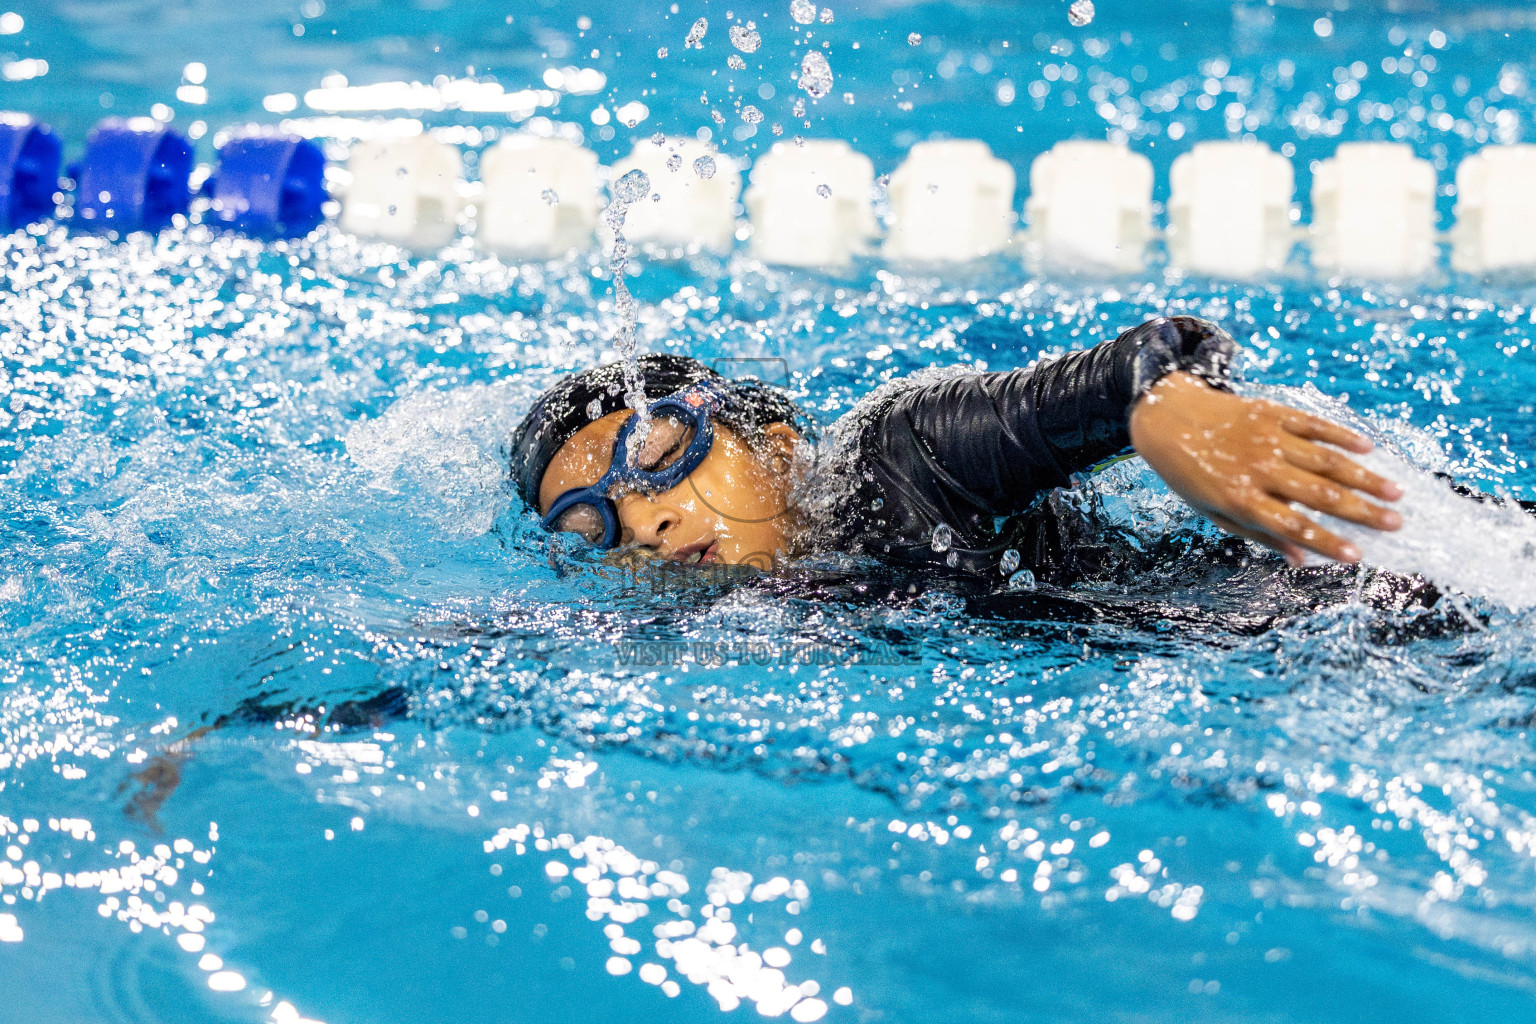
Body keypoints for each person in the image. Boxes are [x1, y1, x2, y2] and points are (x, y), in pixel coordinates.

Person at [508, 316, 1405, 582]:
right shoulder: (720, 617)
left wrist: (1169, 417)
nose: (649, 521)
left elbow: (1132, 366)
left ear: (776, 446)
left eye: (665, 454)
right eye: (597, 529)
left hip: (1354, 594)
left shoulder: (894, 457)